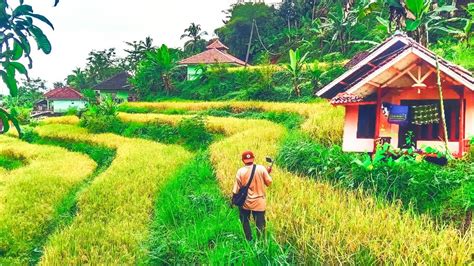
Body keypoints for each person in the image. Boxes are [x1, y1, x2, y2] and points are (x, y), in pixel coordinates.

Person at [232, 151, 273, 241]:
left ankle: (249, 239)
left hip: (245, 202)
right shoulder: (261, 169)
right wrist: (267, 173)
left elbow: (236, 189)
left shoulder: (240, 171)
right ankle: (261, 243)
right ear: (253, 158)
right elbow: (269, 182)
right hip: (259, 202)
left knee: (245, 220)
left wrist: (233, 200)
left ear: (243, 160)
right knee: (260, 224)